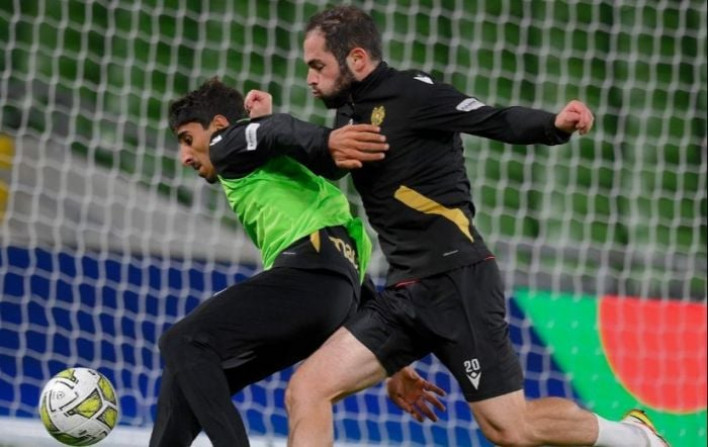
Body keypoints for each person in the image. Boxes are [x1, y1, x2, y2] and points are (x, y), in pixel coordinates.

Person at [282, 6, 670, 447]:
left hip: (457, 281)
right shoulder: (348, 117)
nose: (310, 78)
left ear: (356, 58)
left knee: (511, 428)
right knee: (306, 389)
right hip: (405, 292)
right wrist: (396, 365)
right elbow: (325, 164)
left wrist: (553, 125)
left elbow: (492, 118)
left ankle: (635, 437)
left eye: (318, 66)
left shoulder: (414, 92)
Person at [149, 78, 443, 447]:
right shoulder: (296, 182)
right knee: (189, 376)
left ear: (219, 127)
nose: (184, 157)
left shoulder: (228, 146)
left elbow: (276, 130)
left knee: (183, 342)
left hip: (307, 279)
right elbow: (354, 280)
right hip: (332, 297)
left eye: (187, 139)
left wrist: (324, 140)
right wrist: (396, 364)